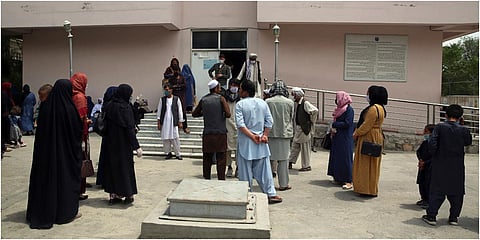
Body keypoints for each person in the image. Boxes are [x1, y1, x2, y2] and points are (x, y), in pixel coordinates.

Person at [26, 79, 83, 229]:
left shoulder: (45, 108)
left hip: (46, 157)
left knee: (46, 183)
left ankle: (42, 212)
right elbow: (77, 133)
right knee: (65, 182)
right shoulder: (70, 110)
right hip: (65, 158)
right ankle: (65, 212)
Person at [422, 104, 472, 226]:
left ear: (446, 115)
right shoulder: (463, 130)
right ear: (461, 117)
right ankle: (454, 217)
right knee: (457, 191)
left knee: (437, 189)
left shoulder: (440, 127)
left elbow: (432, 143)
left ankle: (431, 216)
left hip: (440, 162)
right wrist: (462, 125)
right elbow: (468, 142)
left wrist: (434, 156)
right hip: (457, 164)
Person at [235, 80, 282, 204]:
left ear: (245, 91)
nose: (239, 91)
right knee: (265, 171)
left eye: (240, 89)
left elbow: (240, 125)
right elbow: (269, 121)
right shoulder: (263, 103)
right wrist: (265, 135)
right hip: (261, 141)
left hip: (246, 142)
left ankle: (247, 194)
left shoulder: (240, 104)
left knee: (245, 172)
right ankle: (270, 194)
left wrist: (251, 136)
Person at [103, 84, 143, 204]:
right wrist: (136, 146)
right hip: (124, 145)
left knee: (113, 169)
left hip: (110, 143)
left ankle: (113, 195)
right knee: (125, 169)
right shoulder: (126, 108)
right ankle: (128, 194)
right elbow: (129, 128)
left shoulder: (109, 106)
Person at [352, 85, 388, 197]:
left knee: (365, 163)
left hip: (369, 136)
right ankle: (371, 187)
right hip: (376, 135)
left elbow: (366, 125)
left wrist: (356, 133)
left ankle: (365, 188)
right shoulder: (381, 108)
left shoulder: (373, 109)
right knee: (373, 164)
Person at [192, 80, 231, 180]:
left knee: (207, 157)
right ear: (217, 88)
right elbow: (228, 114)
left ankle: (207, 177)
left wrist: (205, 113)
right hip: (220, 133)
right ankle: (221, 178)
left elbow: (194, 114)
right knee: (221, 158)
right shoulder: (221, 99)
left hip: (208, 133)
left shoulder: (204, 99)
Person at [265, 80, 294, 191]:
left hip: (270, 134)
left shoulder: (268, 101)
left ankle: (268, 184)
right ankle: (283, 184)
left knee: (268, 160)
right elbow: (291, 117)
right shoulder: (289, 102)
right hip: (284, 134)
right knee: (283, 160)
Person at [327, 91, 355, 190]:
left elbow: (347, 123)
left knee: (345, 158)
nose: (336, 100)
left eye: (337, 98)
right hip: (337, 136)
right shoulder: (339, 109)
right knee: (337, 157)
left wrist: (335, 125)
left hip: (345, 137)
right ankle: (338, 177)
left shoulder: (349, 110)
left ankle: (348, 180)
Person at [70, 72, 91, 200]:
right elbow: (81, 117)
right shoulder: (80, 97)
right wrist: (86, 122)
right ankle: (79, 189)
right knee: (82, 159)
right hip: (81, 134)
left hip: (72, 134)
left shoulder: (70, 95)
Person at [288, 87, 318, 171]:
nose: (293, 97)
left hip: (304, 129)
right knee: (295, 146)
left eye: (294, 95)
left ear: (298, 95)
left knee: (305, 148)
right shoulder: (297, 103)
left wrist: (311, 121)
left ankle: (306, 166)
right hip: (298, 128)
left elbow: (315, 111)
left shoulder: (305, 103)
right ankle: (290, 162)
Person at [96, 86, 117, 187]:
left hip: (106, 136)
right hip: (113, 137)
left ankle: (102, 179)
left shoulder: (105, 105)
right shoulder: (113, 106)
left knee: (105, 158)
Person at [157, 83, 184, 160]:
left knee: (175, 138)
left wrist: (180, 121)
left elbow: (180, 110)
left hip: (173, 121)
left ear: (171, 90)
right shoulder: (162, 100)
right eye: (166, 89)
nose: (167, 91)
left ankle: (178, 154)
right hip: (165, 121)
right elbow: (159, 111)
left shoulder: (176, 99)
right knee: (166, 138)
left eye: (168, 89)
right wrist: (159, 122)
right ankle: (168, 153)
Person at [164, 58, 190, 134]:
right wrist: (174, 86)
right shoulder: (171, 77)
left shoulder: (181, 77)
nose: (175, 64)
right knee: (173, 110)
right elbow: (169, 85)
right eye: (173, 63)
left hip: (181, 95)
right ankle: (174, 125)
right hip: (174, 95)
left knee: (183, 111)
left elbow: (185, 85)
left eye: (176, 63)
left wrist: (179, 86)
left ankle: (185, 126)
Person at [415, 124, 436, 209]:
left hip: (429, 167)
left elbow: (434, 157)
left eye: (426, 131)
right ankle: (423, 198)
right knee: (421, 182)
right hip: (422, 166)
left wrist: (425, 163)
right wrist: (420, 160)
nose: (424, 133)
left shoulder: (435, 144)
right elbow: (418, 152)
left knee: (428, 183)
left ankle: (428, 200)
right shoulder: (425, 143)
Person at [224, 78, 241, 177]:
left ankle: (238, 168)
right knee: (228, 149)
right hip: (227, 125)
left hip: (239, 126)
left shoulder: (241, 98)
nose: (233, 87)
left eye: (236, 85)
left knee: (239, 149)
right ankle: (229, 167)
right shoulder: (224, 97)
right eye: (232, 85)